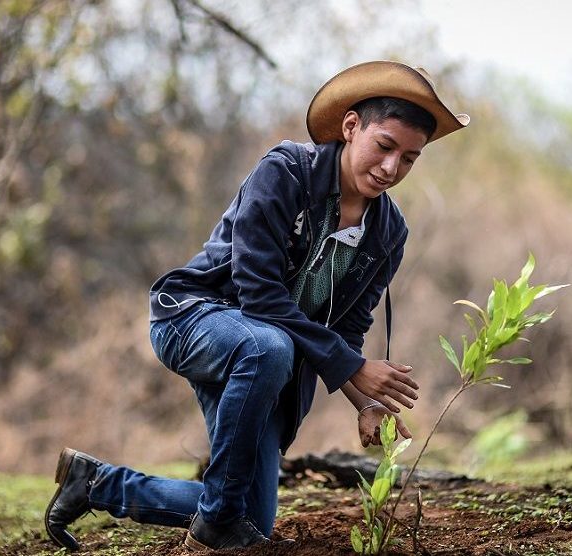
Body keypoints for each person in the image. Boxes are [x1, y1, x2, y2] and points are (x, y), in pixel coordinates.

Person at [44, 60, 469, 552]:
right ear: (351, 128)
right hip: (192, 317)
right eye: (385, 146)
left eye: (409, 158)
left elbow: (349, 326)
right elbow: (257, 291)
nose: (392, 168)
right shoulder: (285, 172)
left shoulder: (389, 232)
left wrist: (368, 401)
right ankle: (217, 521)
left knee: (254, 518)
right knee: (269, 348)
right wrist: (353, 367)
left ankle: (94, 484)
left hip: (269, 359)